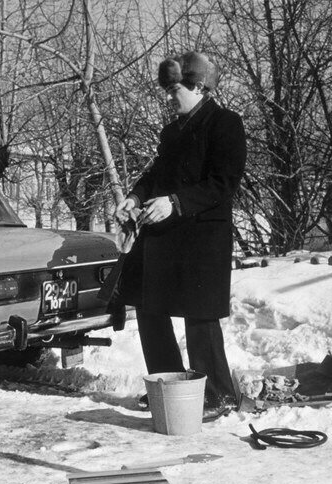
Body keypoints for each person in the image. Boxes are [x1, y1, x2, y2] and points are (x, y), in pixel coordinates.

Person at [114, 51, 247, 414]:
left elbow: (224, 183)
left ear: (198, 86)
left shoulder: (225, 123)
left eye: (174, 91)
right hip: (166, 235)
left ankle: (217, 394)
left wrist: (175, 201)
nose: (169, 98)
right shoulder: (172, 131)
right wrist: (135, 196)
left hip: (203, 237)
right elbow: (157, 173)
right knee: (146, 305)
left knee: (199, 316)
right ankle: (168, 385)